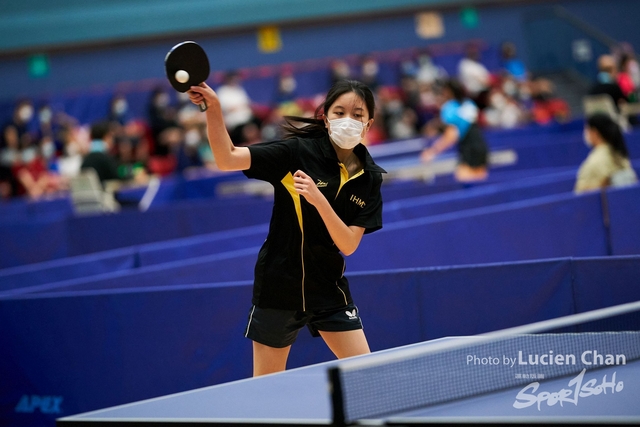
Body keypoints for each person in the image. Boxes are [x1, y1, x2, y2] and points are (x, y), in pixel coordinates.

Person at [188, 79, 385, 376]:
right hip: (279, 288)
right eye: (339, 112)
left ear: (369, 123)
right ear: (325, 118)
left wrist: (318, 200)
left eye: (357, 115)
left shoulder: (370, 178)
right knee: (266, 391)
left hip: (328, 289)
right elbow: (226, 158)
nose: (348, 120)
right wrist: (213, 109)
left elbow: (348, 244)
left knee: (369, 374)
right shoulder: (296, 153)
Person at [420, 79, 489, 182]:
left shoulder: (449, 108)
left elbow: (451, 135)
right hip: (481, 147)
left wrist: (432, 151)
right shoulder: (469, 104)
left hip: (468, 149)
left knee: (464, 183)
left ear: (448, 92)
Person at [574, 113, 637, 193]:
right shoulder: (620, 154)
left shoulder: (594, 162)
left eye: (587, 129)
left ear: (594, 132)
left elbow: (580, 197)